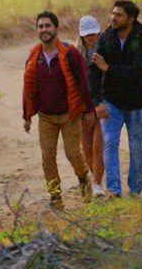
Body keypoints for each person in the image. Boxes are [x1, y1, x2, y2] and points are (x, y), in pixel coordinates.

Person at [22, 11, 94, 210]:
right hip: (46, 117)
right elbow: (28, 88)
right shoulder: (33, 57)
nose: (44, 29)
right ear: (37, 30)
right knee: (47, 158)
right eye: (41, 26)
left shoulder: (70, 53)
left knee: (72, 153)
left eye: (47, 26)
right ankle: (55, 197)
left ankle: (83, 177)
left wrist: (88, 110)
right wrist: (27, 115)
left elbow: (83, 82)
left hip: (70, 114)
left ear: (57, 29)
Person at [88, 0, 142, 198]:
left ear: (131, 19)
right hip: (111, 101)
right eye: (113, 13)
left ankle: (134, 190)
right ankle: (114, 190)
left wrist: (108, 68)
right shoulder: (106, 37)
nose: (114, 18)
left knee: (136, 147)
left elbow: (137, 72)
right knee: (110, 142)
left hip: (137, 102)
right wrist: (97, 101)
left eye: (119, 15)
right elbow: (93, 70)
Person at [76, 16, 106, 199]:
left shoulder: (105, 50)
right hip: (83, 108)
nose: (91, 37)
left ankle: (97, 182)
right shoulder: (75, 55)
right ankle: (93, 175)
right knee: (86, 148)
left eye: (93, 33)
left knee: (98, 146)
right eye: (87, 34)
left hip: (103, 105)